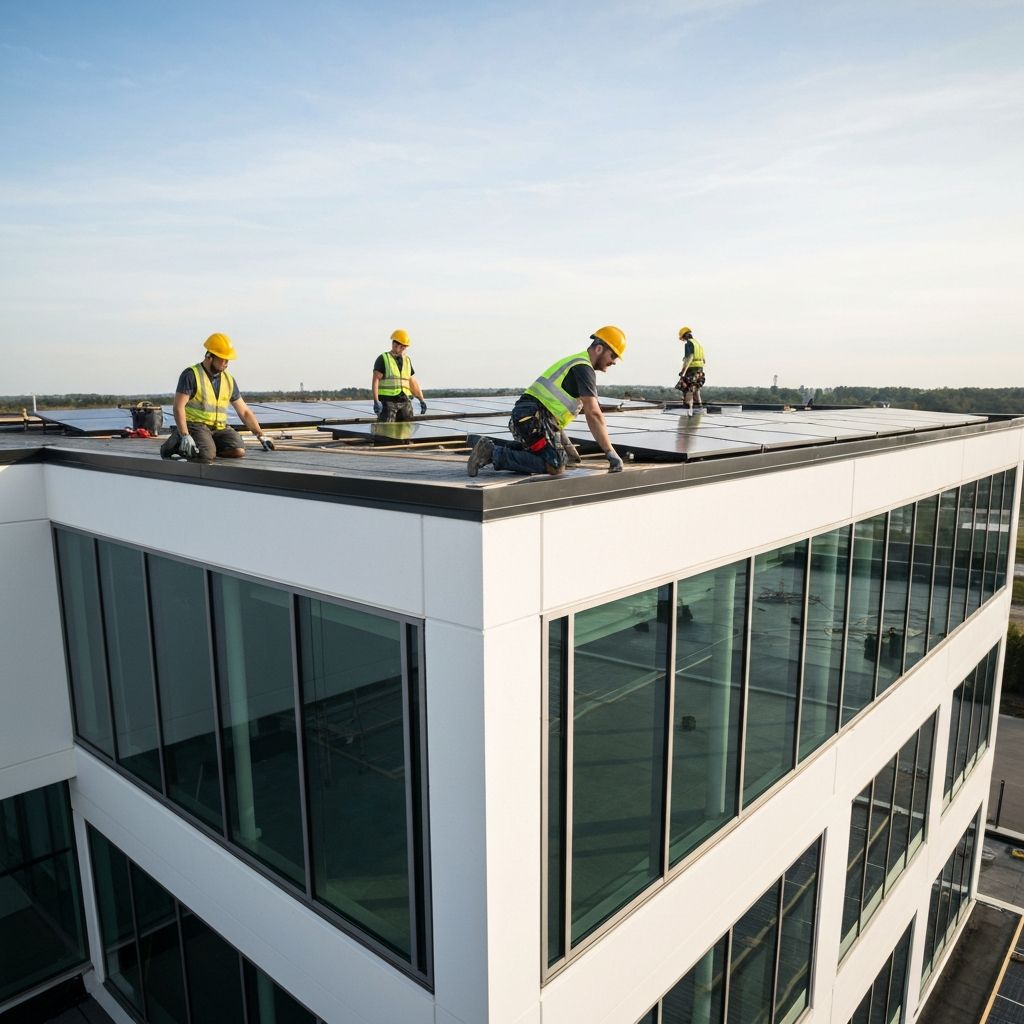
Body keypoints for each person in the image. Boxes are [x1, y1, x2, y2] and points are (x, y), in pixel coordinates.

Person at [466, 326, 627, 477]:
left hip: (529, 417)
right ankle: (492, 454)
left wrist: (565, 446)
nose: (614, 362)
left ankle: (488, 447)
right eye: (612, 355)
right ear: (599, 349)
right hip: (533, 419)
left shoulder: (577, 362)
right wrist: (610, 452)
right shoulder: (583, 368)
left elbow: (554, 409)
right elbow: (593, 413)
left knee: (557, 456)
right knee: (556, 465)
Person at [159, 333, 275, 463]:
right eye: (223, 359)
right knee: (206, 456)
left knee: (238, 450)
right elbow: (178, 407)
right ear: (209, 357)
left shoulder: (228, 380)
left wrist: (260, 435)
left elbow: (244, 411)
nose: (226, 363)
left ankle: (207, 446)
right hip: (195, 425)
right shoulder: (191, 375)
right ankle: (177, 442)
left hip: (219, 428)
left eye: (228, 360)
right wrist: (185, 435)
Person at [372, 330, 427, 422]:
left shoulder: (407, 360)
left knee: (406, 430)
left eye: (405, 347)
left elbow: (412, 381)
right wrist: (376, 400)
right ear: (395, 344)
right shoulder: (384, 358)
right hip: (388, 402)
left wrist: (421, 399)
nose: (404, 349)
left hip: (405, 401)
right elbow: (375, 380)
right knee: (387, 432)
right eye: (402, 347)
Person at [675, 326, 706, 414]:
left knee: (687, 388)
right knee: (696, 389)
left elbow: (689, 358)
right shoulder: (698, 344)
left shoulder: (689, 344)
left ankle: (686, 408)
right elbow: (704, 360)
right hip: (700, 369)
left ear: (684, 336)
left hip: (691, 369)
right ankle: (699, 408)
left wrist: (683, 371)